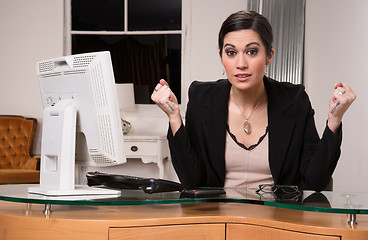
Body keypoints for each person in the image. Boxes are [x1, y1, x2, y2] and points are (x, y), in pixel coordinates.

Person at [151, 10, 356, 191]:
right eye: (231, 52)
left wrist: (334, 120)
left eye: (251, 51)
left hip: (277, 221)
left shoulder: (294, 100)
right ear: (221, 56)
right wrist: (174, 118)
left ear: (269, 56)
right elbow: (191, 181)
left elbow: (315, 182)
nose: (241, 63)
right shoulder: (202, 98)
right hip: (218, 220)